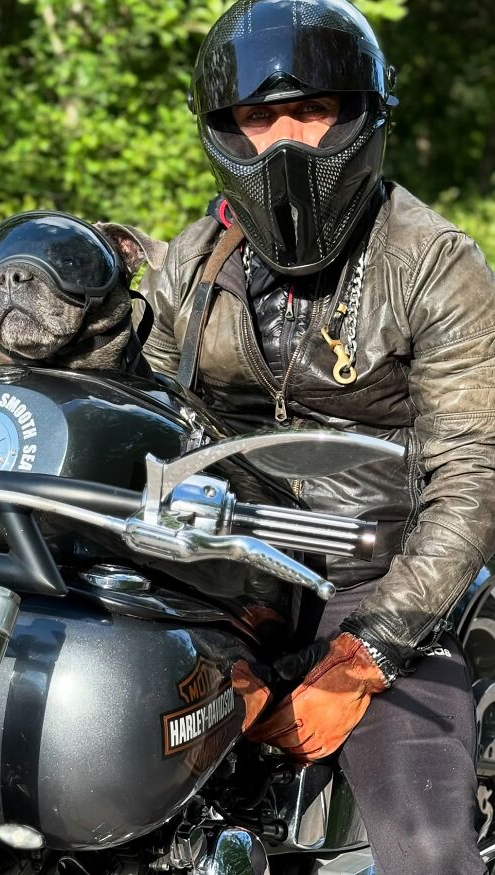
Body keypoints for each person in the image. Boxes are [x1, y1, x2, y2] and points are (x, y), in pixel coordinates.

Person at [138, 0, 495, 871]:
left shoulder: (433, 261)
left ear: (362, 117)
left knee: (427, 846)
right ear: (224, 131)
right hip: (223, 575)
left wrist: (364, 654)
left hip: (380, 578)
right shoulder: (191, 263)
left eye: (312, 111)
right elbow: (140, 422)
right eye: (258, 118)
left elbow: (473, 474)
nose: (285, 143)